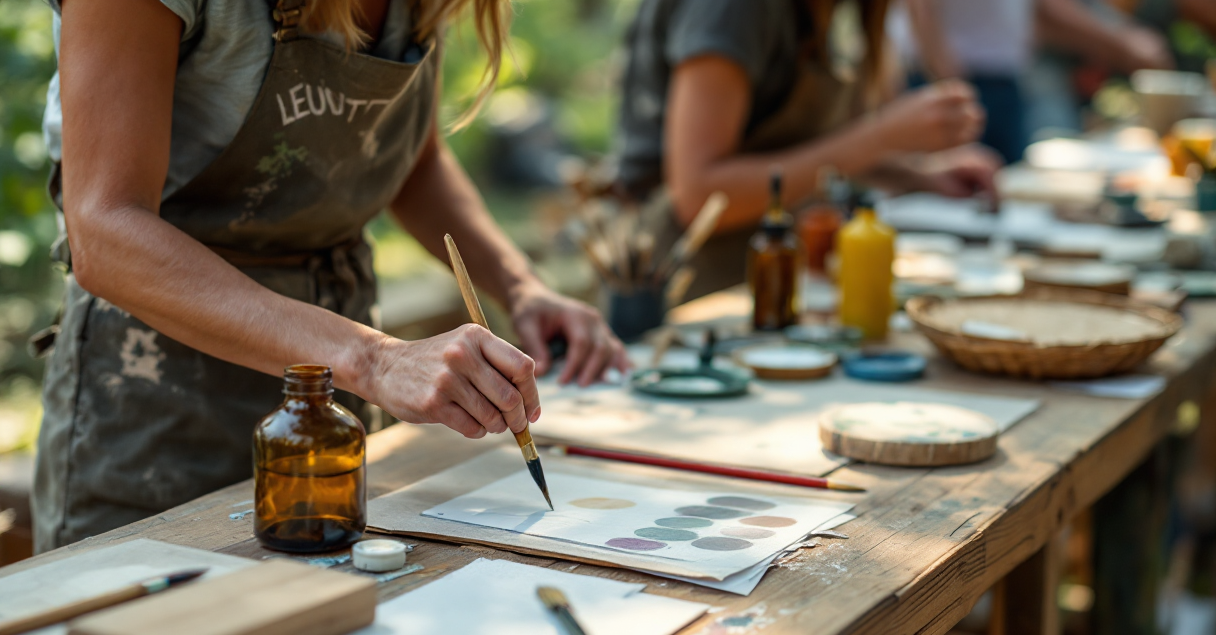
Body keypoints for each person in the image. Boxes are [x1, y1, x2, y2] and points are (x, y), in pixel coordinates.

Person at [31, 0, 628, 559]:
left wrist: (520, 286)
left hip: (333, 386)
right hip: (156, 401)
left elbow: (412, 162)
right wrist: (376, 361)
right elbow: (105, 232)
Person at [614, 0, 1002, 297]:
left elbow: (796, 150)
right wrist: (880, 136)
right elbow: (699, 197)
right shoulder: (732, 9)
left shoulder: (827, 9)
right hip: (680, 289)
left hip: (758, 281)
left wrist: (916, 176)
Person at [892, 0, 1176, 162]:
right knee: (938, 207)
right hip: (948, 84)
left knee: (989, 197)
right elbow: (919, 7)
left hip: (1002, 81)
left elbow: (1042, 11)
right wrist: (949, 84)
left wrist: (1120, 44)